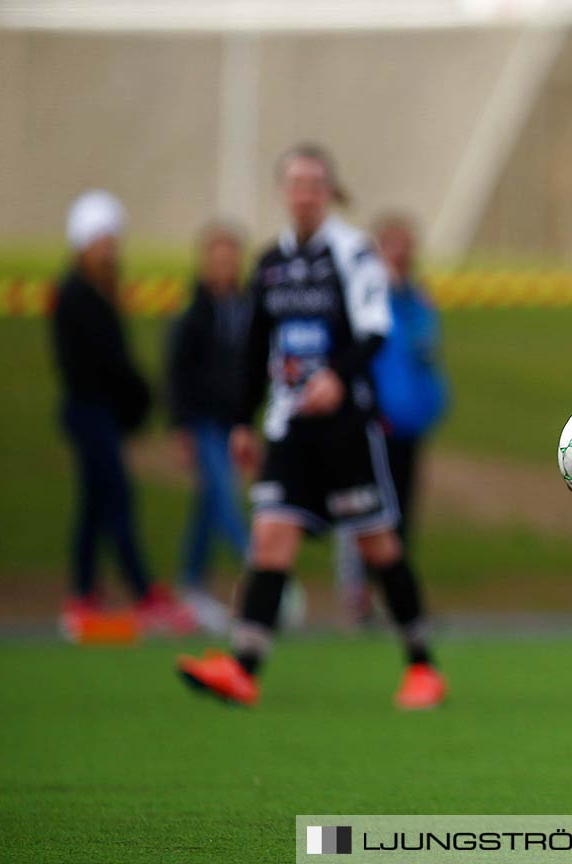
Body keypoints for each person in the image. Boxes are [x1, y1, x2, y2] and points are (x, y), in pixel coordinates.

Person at [176, 145, 447, 709]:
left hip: (346, 428)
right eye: (295, 183)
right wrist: (242, 421)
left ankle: (422, 666)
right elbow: (256, 347)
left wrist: (338, 379)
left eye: (314, 183)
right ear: (283, 191)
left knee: (378, 545)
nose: (304, 193)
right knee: (270, 538)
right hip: (289, 427)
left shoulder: (353, 254)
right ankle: (243, 668)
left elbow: (374, 332)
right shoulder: (270, 261)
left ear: (328, 192)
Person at [52, 190, 197, 639]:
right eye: (102, 241)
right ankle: (141, 593)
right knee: (115, 501)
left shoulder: (97, 292)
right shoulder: (76, 296)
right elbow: (99, 364)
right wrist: (136, 394)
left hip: (103, 413)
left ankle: (83, 592)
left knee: (95, 506)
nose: (110, 250)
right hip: (90, 411)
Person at [334, 212, 449, 622]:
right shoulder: (365, 298)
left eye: (406, 244)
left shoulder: (418, 300)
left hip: (410, 423)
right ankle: (357, 591)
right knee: (367, 511)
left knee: (402, 512)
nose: (400, 253)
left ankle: (390, 594)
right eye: (392, 244)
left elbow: (426, 357)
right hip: (373, 423)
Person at [166, 221, 254, 629]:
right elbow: (177, 373)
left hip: (232, 422)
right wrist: (181, 427)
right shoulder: (193, 314)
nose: (224, 266)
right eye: (216, 259)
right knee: (222, 497)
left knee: (207, 506)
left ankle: (191, 583)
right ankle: (263, 568)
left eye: (230, 258)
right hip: (202, 421)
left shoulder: (246, 308)